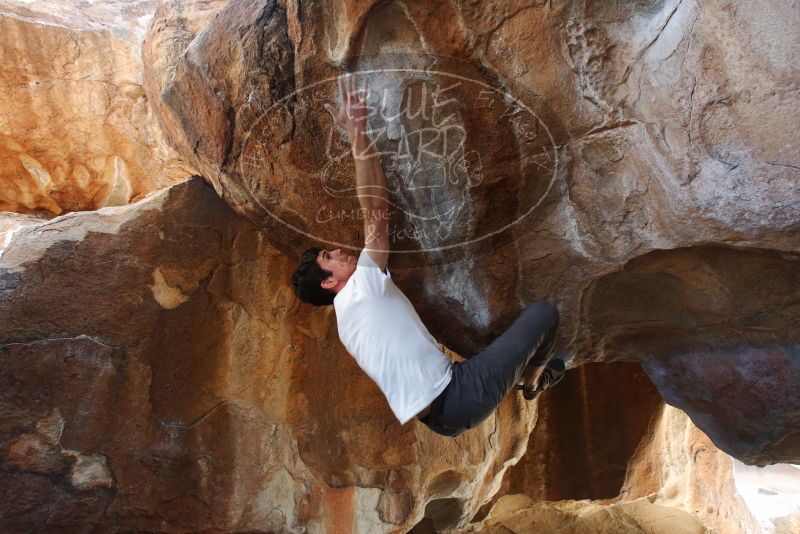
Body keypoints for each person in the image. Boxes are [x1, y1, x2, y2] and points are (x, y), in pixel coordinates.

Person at [290, 73, 564, 437]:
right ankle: (533, 383)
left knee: (524, 348)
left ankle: (534, 373)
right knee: (544, 314)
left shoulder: (347, 323)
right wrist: (358, 133)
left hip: (444, 407)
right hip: (459, 395)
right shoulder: (360, 290)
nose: (340, 250)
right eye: (329, 255)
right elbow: (374, 207)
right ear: (329, 281)